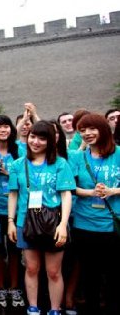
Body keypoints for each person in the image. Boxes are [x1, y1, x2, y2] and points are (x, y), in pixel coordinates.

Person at [7, 121, 75, 315]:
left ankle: (55, 309)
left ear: (50, 141)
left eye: (42, 138)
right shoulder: (18, 164)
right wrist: (11, 222)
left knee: (53, 271)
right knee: (31, 268)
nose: (35, 142)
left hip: (54, 223)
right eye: (32, 137)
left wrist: (63, 225)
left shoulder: (60, 163)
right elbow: (13, 194)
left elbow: (66, 194)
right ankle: (33, 307)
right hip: (25, 221)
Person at [69, 113, 120, 315]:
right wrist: (91, 192)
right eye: (82, 130)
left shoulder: (118, 153)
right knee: (90, 276)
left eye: (92, 129)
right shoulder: (77, 157)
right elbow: (70, 187)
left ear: (103, 129)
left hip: (113, 224)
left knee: (115, 275)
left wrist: (113, 191)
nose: (87, 134)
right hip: (84, 224)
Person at [0, 115, 25, 309]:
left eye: (6, 127)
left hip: (16, 208)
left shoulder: (20, 149)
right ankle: (1, 287)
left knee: (15, 250)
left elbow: (29, 174)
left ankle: (15, 287)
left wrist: (10, 174)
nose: (3, 130)